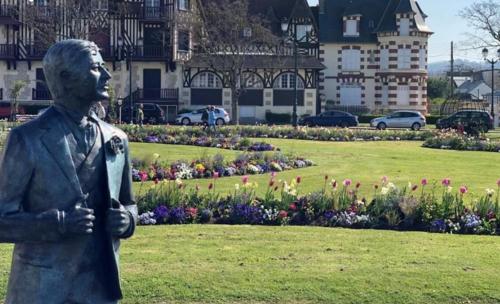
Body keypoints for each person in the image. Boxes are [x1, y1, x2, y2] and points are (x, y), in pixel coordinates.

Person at [0, 39, 137, 304]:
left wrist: (127, 221)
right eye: (96, 68)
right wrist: (58, 223)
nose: (108, 75)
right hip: (40, 289)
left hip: (99, 287)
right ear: (66, 78)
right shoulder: (26, 139)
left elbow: (129, 203)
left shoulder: (116, 138)